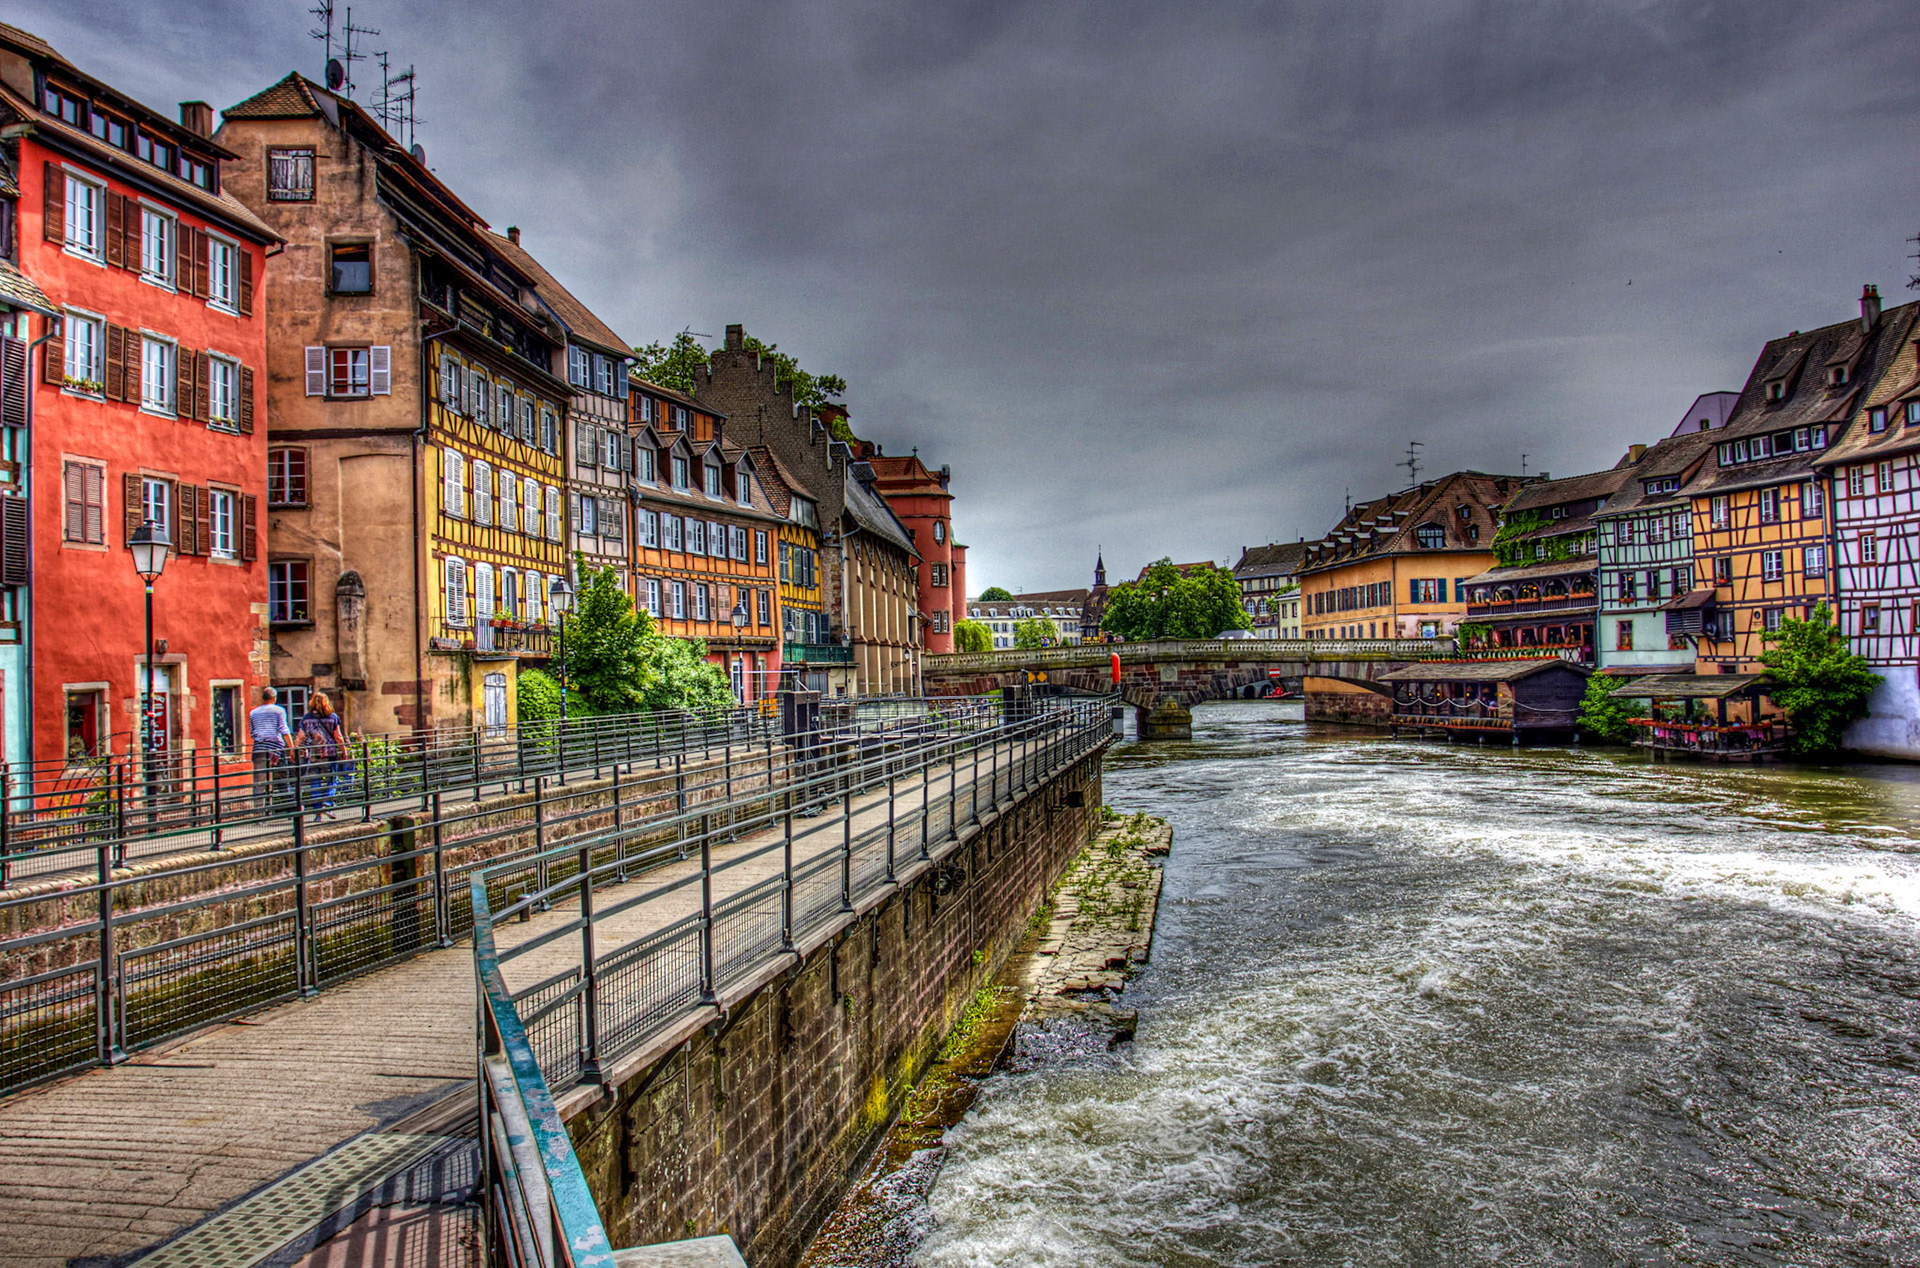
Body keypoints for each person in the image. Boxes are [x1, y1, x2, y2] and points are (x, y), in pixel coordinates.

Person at [297, 692, 348, 818]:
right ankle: (327, 804)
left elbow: (300, 737)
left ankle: (317, 814)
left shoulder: (306, 718)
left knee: (315, 782)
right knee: (332, 779)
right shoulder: (332, 717)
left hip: (313, 755)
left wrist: (295, 751)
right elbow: (338, 736)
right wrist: (344, 750)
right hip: (329, 753)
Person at [247, 687, 292, 813]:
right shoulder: (279, 710)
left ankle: (260, 812)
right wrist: (292, 748)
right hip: (275, 748)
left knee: (259, 782)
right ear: (274, 698)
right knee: (282, 779)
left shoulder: (253, 713)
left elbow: (252, 733)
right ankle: (291, 808)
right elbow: (284, 730)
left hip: (259, 748)